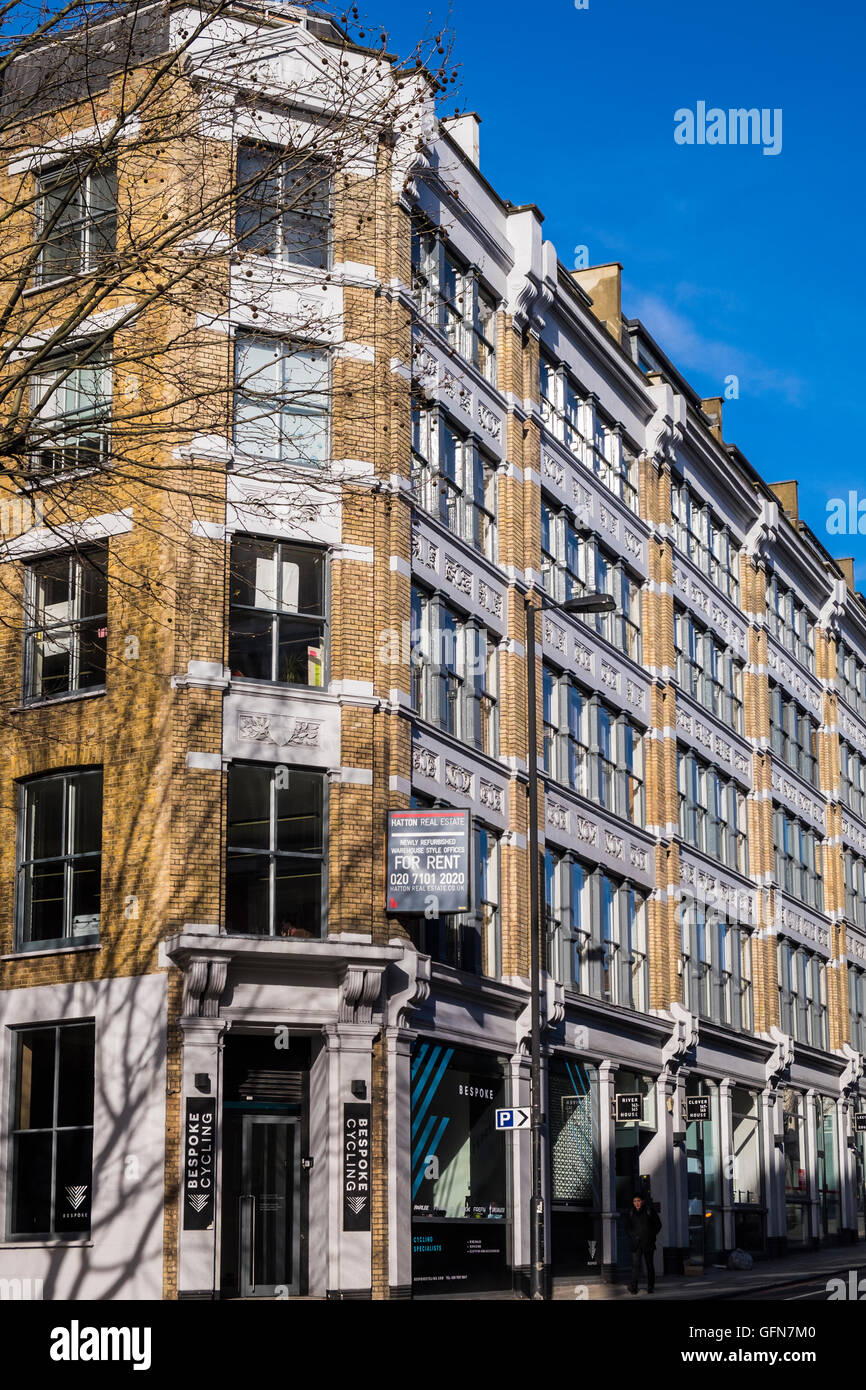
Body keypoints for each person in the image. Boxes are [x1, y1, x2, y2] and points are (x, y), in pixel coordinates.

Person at [624, 1192, 661, 1294]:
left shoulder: (649, 1211)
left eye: (638, 1201)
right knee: (635, 1266)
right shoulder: (631, 1212)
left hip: (648, 1243)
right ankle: (634, 1288)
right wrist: (632, 1236)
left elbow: (658, 1225)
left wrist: (651, 1236)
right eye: (635, 1201)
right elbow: (627, 1228)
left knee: (649, 1266)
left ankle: (650, 1287)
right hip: (636, 1244)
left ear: (643, 1201)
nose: (637, 1203)